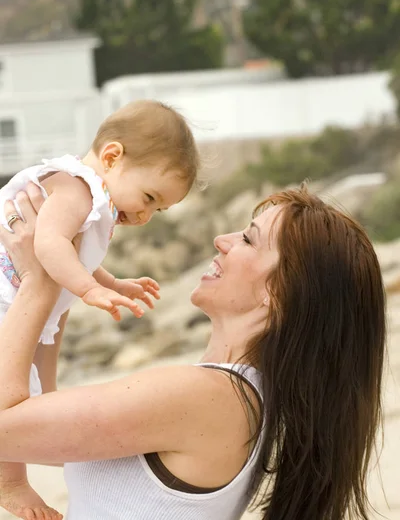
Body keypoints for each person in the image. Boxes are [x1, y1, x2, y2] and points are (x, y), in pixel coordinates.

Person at [0, 183, 386, 520]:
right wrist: (61, 288)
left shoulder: (207, 397)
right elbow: (39, 431)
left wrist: (37, 283)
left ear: (278, 293)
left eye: (248, 239)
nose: (223, 240)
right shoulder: (243, 399)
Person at [0, 99, 200, 519]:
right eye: (149, 197)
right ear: (112, 156)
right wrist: (89, 290)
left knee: (36, 395)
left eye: (157, 209)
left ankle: (38, 431)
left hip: (24, 303)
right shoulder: (76, 187)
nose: (145, 215)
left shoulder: (92, 196)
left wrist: (110, 280)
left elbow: (79, 252)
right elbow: (49, 244)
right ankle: (10, 482)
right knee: (8, 396)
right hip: (6, 300)